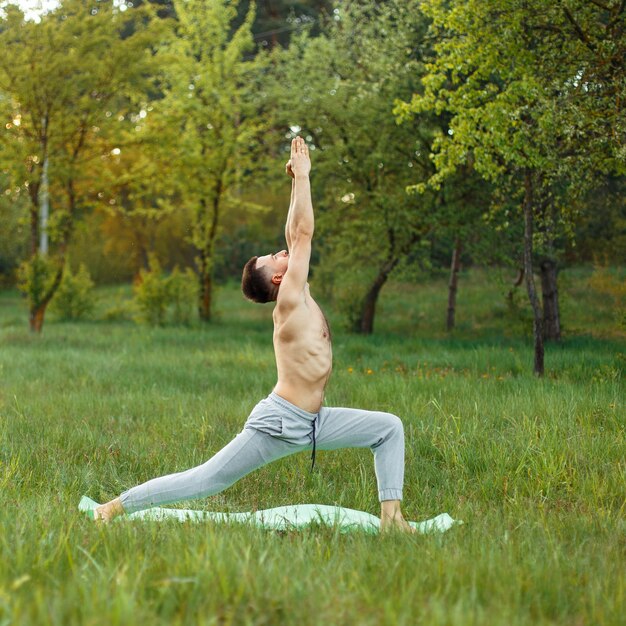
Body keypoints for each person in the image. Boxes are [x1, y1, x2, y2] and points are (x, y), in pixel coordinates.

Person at [93, 136, 415, 532]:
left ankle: (392, 521)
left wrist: (296, 183)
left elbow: (294, 231)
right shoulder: (291, 300)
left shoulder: (297, 289)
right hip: (280, 422)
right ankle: (114, 507)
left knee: (388, 427)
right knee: (207, 479)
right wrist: (305, 176)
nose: (282, 251)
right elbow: (304, 235)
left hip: (315, 421)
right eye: (275, 257)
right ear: (279, 277)